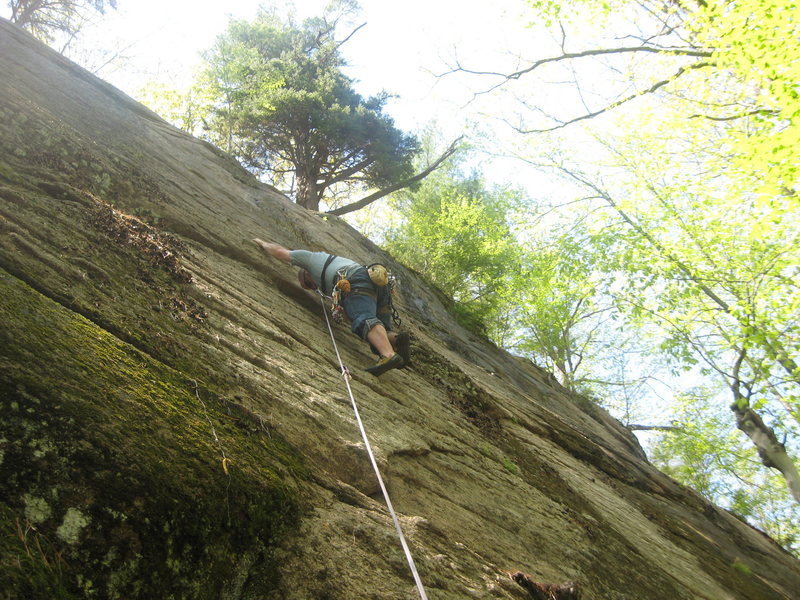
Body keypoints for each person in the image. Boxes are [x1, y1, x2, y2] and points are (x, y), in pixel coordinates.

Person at [253, 238, 410, 376]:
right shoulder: (331, 261)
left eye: (309, 284)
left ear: (306, 274)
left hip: (354, 280)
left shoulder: (309, 259)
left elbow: (281, 252)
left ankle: (388, 354)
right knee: (378, 325)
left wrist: (262, 243)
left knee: (362, 318)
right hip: (377, 283)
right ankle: (397, 340)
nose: (315, 288)